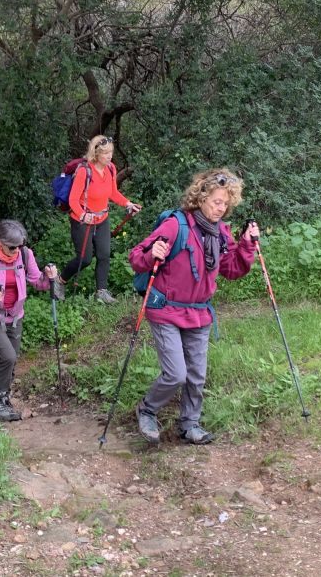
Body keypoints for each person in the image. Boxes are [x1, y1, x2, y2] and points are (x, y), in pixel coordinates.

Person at [128, 168, 259, 445]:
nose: (221, 208)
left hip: (199, 312)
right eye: (216, 202)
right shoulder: (176, 225)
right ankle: (147, 409)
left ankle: (189, 424)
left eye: (225, 203)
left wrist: (246, 246)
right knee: (176, 374)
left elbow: (232, 269)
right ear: (201, 198)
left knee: (196, 375)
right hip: (166, 309)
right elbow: (137, 257)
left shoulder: (221, 232)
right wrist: (152, 254)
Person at [0, 220, 59, 421]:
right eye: (12, 247)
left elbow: (38, 282)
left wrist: (49, 277)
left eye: (20, 245)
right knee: (8, 356)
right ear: (0, 242)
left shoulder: (25, 254)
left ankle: (5, 396)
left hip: (15, 316)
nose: (17, 250)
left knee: (12, 358)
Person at [62, 135, 141, 303]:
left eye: (110, 152)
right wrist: (83, 215)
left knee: (104, 255)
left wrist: (128, 204)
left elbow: (112, 192)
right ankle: (60, 280)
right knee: (85, 259)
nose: (109, 156)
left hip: (102, 219)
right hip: (82, 220)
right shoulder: (84, 171)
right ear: (96, 153)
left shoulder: (110, 168)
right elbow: (73, 200)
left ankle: (102, 292)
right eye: (105, 153)